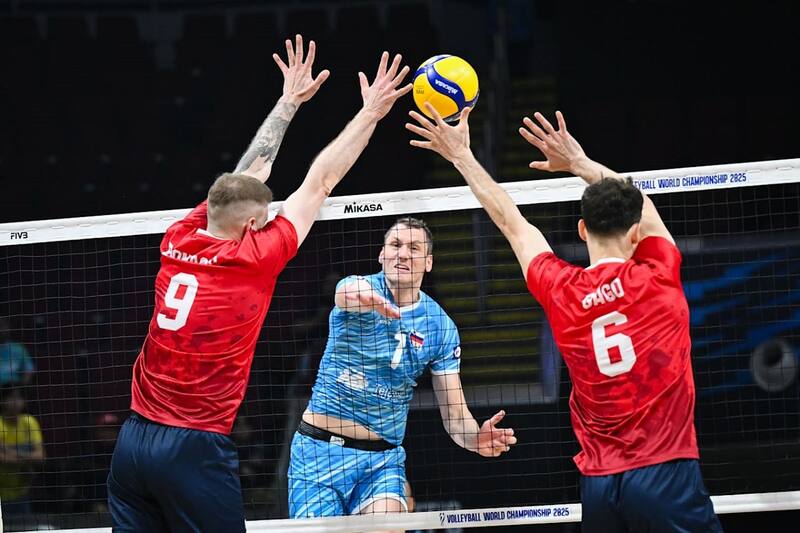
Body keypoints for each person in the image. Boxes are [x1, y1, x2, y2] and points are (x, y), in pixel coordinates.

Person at [107, 34, 414, 532]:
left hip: (133, 442)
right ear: (252, 227)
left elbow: (245, 174)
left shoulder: (179, 235)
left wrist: (288, 101)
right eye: (265, 216)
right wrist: (370, 113)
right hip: (194, 447)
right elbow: (320, 182)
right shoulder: (255, 256)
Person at [406, 105, 722, 532]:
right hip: (665, 470)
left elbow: (511, 223)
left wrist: (461, 155)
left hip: (599, 483)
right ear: (633, 235)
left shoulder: (560, 289)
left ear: (580, 230)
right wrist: (579, 162)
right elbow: (642, 204)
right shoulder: (658, 274)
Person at [288, 217, 517, 520]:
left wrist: (475, 439)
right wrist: (365, 299)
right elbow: (345, 294)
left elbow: (456, 415)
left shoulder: (440, 326)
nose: (403, 253)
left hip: (380, 462)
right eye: (395, 245)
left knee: (389, 526)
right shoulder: (357, 287)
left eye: (414, 248)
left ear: (429, 262)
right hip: (318, 453)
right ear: (382, 255)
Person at [0, 386, 45, 518]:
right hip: (2, 495)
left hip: (23, 494)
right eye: (11, 397)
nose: (16, 402)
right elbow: (2, 460)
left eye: (19, 398)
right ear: (2, 401)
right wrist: (27, 459)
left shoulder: (29, 422)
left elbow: (40, 457)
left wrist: (7, 449)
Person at [0, 318, 35, 387]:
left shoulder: (19, 348)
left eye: (2, 326)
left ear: (8, 328)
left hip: (13, 389)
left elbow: (29, 370)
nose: (1, 330)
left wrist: (22, 387)